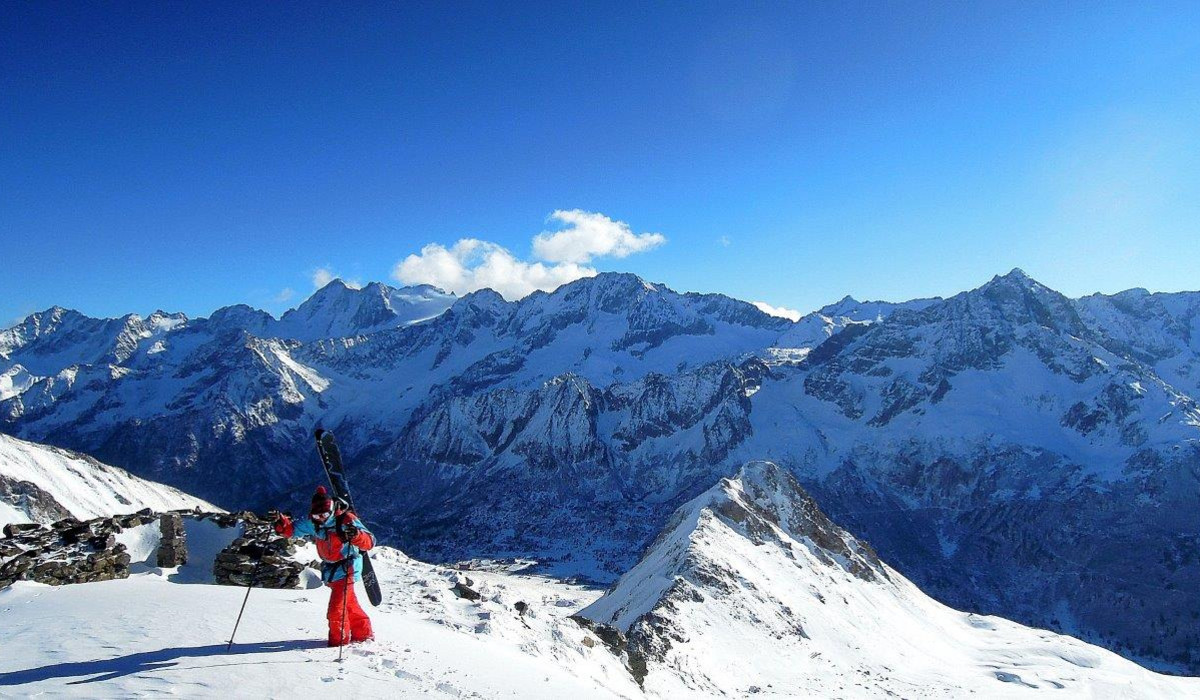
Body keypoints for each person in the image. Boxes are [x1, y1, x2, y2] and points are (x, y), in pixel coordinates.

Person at [271, 486, 375, 646]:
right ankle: (363, 634)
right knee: (349, 604)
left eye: (325, 515)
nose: (321, 518)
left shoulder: (346, 520)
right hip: (331, 570)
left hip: (347, 568)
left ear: (332, 509)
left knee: (336, 610)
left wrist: (356, 535)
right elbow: (291, 530)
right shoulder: (314, 523)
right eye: (317, 515)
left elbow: (370, 542)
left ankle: (338, 643)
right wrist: (281, 523)